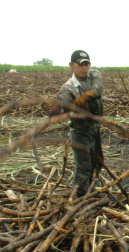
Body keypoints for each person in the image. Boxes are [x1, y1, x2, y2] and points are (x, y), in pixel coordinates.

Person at [49, 50, 104, 197]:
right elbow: (64, 99)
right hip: (80, 132)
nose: (84, 68)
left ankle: (90, 189)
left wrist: (84, 98)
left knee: (96, 162)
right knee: (83, 166)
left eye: (86, 64)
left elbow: (97, 90)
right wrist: (58, 108)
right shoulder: (69, 87)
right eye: (80, 65)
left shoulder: (94, 75)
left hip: (95, 129)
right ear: (71, 65)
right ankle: (80, 194)